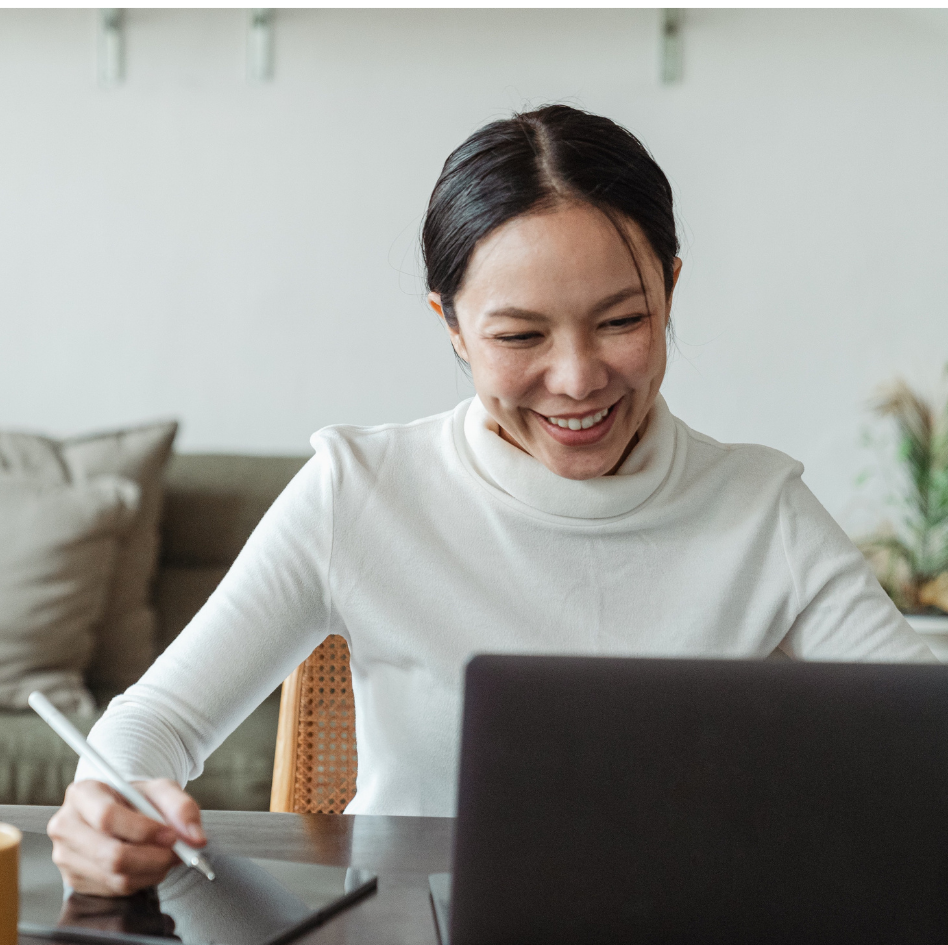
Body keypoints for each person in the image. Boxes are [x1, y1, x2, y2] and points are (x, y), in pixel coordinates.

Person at [48, 104, 935, 896]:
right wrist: (106, 808)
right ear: (451, 327)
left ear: (670, 286)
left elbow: (921, 739)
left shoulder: (762, 509)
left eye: (622, 321)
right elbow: (154, 723)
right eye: (519, 335)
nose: (577, 379)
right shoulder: (359, 491)